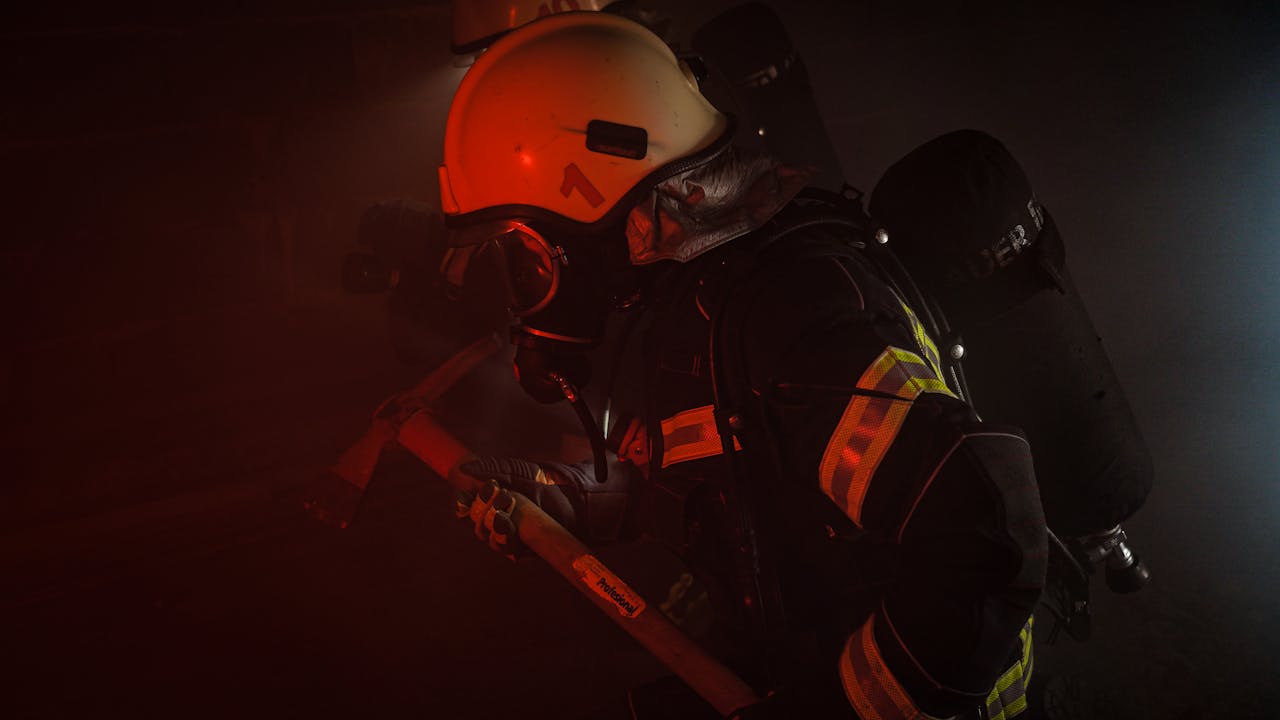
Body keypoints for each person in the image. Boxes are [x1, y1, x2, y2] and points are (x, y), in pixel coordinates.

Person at [441, 12, 1047, 719]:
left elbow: (981, 519)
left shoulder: (785, 307)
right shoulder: (698, 300)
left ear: (595, 194)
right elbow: (738, 478)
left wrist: (840, 708)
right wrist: (573, 497)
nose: (527, 302)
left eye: (526, 261)